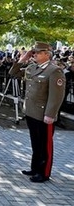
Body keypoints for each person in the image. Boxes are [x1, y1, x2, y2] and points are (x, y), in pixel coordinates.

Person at [9, 41, 66, 183]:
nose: (34, 54)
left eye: (37, 52)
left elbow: (56, 95)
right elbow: (13, 73)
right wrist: (23, 59)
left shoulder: (54, 71)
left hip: (44, 114)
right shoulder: (32, 67)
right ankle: (35, 168)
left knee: (44, 144)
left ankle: (44, 172)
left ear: (47, 54)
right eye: (33, 52)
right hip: (31, 111)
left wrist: (50, 114)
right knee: (35, 142)